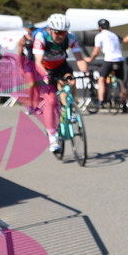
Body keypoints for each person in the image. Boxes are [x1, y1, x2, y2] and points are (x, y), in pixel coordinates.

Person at [31, 13, 86, 156]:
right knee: (50, 101)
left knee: (71, 81)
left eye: (64, 32)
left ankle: (71, 108)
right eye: (58, 32)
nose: (61, 36)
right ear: (50, 30)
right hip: (45, 68)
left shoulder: (70, 38)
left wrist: (86, 72)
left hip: (61, 65)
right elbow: (38, 62)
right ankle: (53, 137)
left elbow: (80, 58)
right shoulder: (41, 37)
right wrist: (45, 76)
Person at [91, 17, 126, 111]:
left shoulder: (99, 36)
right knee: (121, 81)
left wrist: (90, 59)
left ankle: (101, 101)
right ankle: (124, 104)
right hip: (119, 59)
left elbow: (96, 52)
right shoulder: (114, 34)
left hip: (109, 59)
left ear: (99, 27)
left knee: (101, 79)